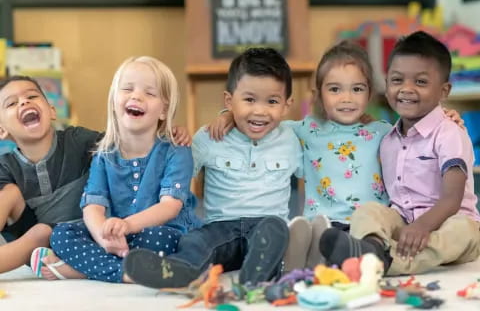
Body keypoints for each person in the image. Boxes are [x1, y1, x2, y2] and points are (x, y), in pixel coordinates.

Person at [122, 47, 303, 288]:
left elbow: (329, 136)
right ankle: (179, 270)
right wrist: (179, 138)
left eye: (272, 101)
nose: (259, 110)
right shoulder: (209, 137)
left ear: (287, 104)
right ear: (229, 101)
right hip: (220, 227)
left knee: (277, 231)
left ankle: (256, 274)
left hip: (266, 226)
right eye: (249, 100)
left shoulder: (293, 137)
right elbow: (176, 169)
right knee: (195, 240)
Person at [207, 41, 391, 271]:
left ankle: (355, 257)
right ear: (318, 95)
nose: (347, 98)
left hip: (369, 224)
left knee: (377, 245)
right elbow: (262, 120)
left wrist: (446, 118)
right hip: (324, 225)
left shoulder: (383, 131)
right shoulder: (306, 129)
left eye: (357, 89)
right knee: (318, 241)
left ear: (369, 93)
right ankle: (326, 259)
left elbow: (416, 137)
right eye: (335, 89)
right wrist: (228, 115)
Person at [319, 31, 480, 276]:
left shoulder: (449, 133)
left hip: (449, 221)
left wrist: (422, 226)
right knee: (369, 211)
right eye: (397, 80)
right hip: (404, 221)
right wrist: (407, 226)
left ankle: (387, 261)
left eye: (421, 82)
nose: (406, 89)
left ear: (444, 91)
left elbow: (453, 198)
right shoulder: (388, 139)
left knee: (461, 232)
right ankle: (369, 247)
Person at [34, 56, 202, 282]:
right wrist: (103, 237)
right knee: (62, 235)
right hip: (114, 237)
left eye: (149, 93)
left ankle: (84, 270)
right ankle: (125, 272)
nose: (136, 96)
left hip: (159, 232)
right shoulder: (104, 154)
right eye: (127, 89)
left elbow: (170, 207)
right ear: (114, 99)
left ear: (164, 110)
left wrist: (127, 225)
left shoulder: (176, 150)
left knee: (163, 240)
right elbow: (93, 206)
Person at [0, 75, 101, 274]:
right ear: (2, 130)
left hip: (84, 233)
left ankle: (68, 264)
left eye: (32, 96)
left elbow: (122, 142)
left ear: (52, 111)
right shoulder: (6, 165)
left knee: (43, 231)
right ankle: (50, 260)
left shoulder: (77, 140)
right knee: (8, 194)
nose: (24, 101)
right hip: (35, 243)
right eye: (11, 103)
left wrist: (166, 131)